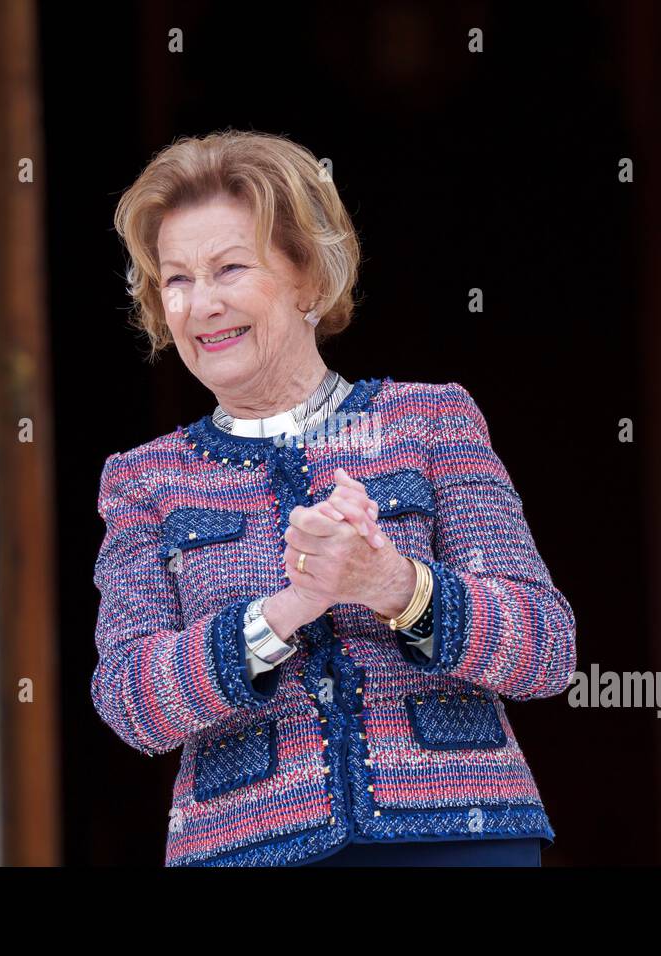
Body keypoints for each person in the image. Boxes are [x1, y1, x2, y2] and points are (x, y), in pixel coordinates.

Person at [92, 130, 577, 866]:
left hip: (459, 839)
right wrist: (283, 610)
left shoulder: (431, 420)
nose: (201, 304)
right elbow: (132, 702)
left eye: (229, 268)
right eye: (177, 280)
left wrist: (393, 585)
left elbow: (544, 650)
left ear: (310, 280)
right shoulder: (143, 480)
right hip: (251, 849)